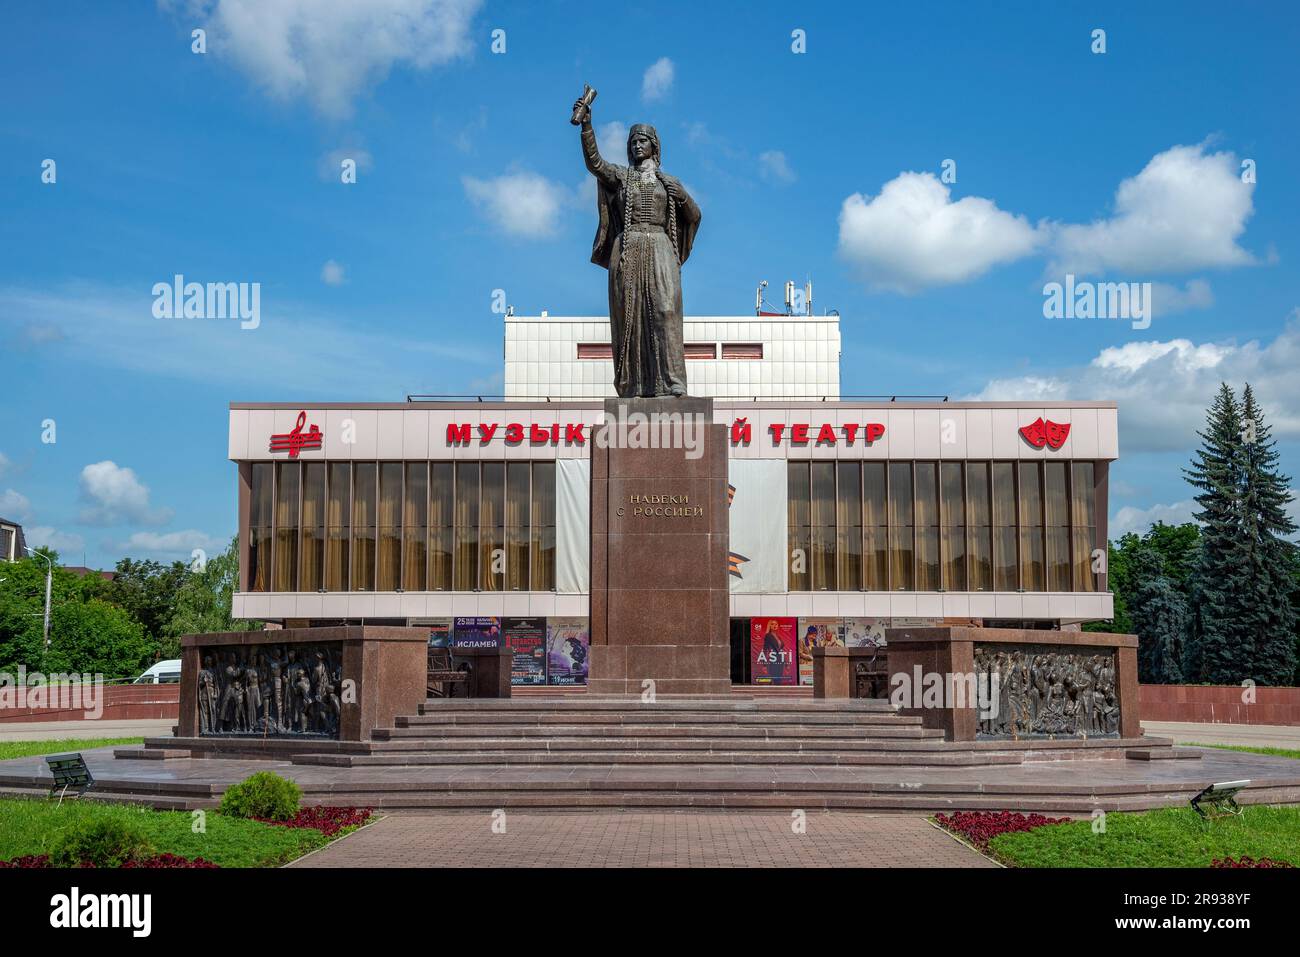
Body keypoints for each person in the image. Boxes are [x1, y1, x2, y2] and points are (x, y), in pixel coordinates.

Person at [574, 98, 701, 398]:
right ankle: (633, 385)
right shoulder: (621, 177)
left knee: (665, 310)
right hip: (628, 249)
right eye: (632, 141)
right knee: (630, 315)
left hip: (660, 248)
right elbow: (595, 163)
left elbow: (694, 216)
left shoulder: (669, 182)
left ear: (654, 146)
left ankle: (672, 383)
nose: (636, 146)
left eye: (643, 141)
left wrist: (681, 196)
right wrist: (587, 126)